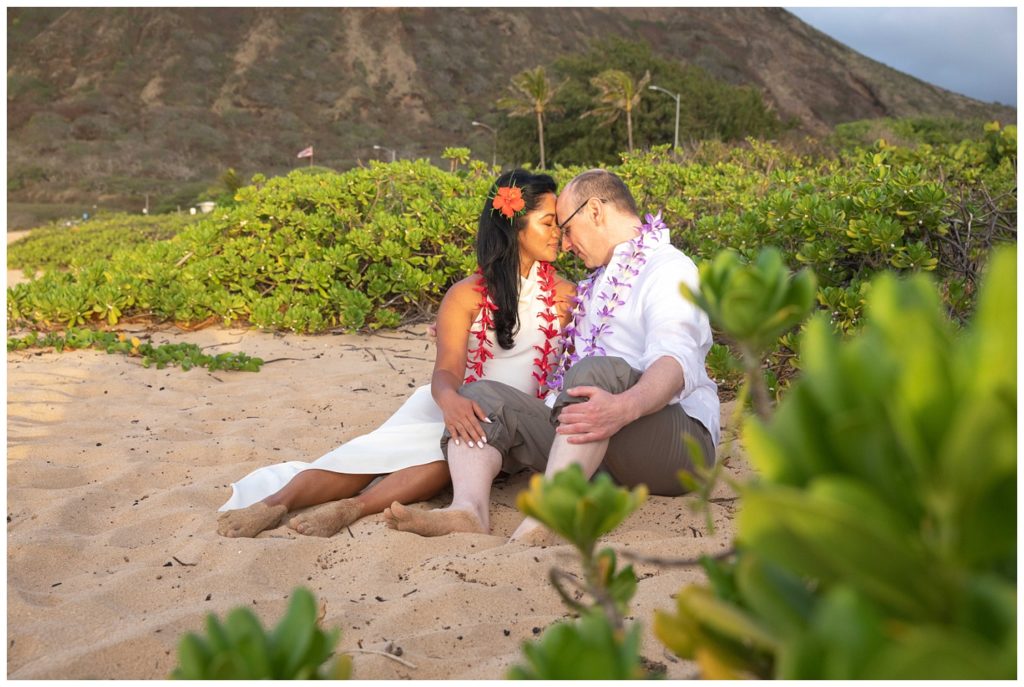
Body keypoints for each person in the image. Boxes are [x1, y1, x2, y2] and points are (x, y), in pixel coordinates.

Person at [217, 170, 575, 538]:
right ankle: (275, 503)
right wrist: (450, 401)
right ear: (512, 225)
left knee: (441, 462)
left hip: (507, 422)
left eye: (560, 225)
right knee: (369, 455)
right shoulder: (466, 295)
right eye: (548, 223)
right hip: (450, 403)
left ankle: (350, 508)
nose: (557, 235)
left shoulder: (567, 297)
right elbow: (447, 370)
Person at [384, 168, 720, 541]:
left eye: (567, 226)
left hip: (673, 448)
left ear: (595, 211)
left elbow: (675, 360)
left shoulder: (669, 270)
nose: (565, 241)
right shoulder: (593, 284)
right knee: (481, 395)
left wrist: (625, 407)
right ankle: (468, 509)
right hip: (597, 445)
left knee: (594, 374)